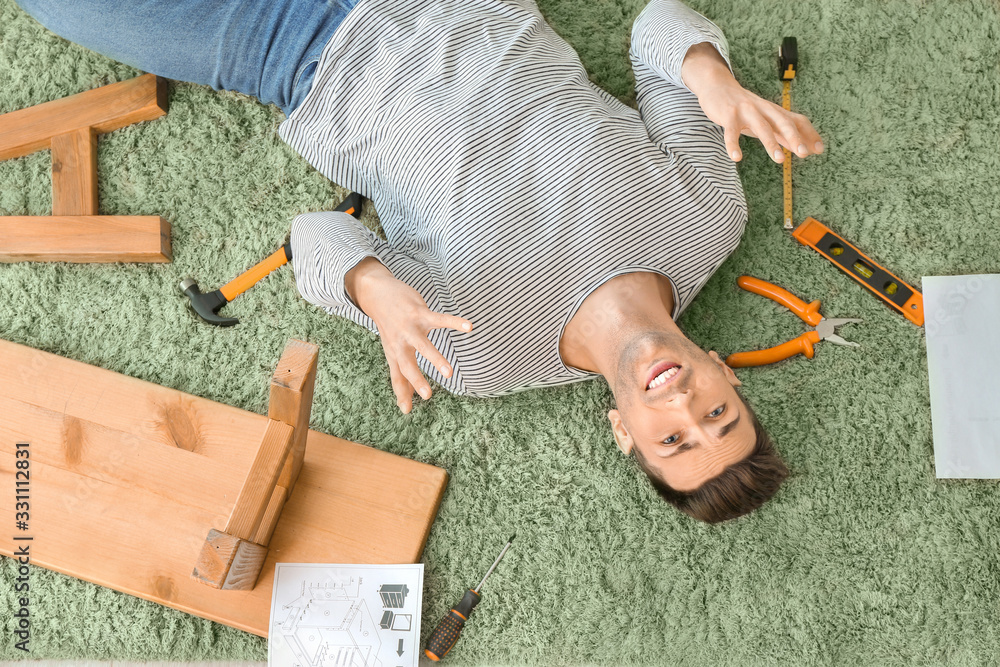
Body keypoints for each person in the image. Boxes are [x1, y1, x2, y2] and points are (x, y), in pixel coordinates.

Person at [14, 0, 824, 522]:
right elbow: (654, 27)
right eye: (716, 414)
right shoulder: (708, 217)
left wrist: (375, 292)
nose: (684, 405)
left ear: (624, 433)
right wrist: (710, 79)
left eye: (674, 441)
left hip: (283, 51)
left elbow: (311, 237)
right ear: (725, 372)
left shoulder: (482, 357)